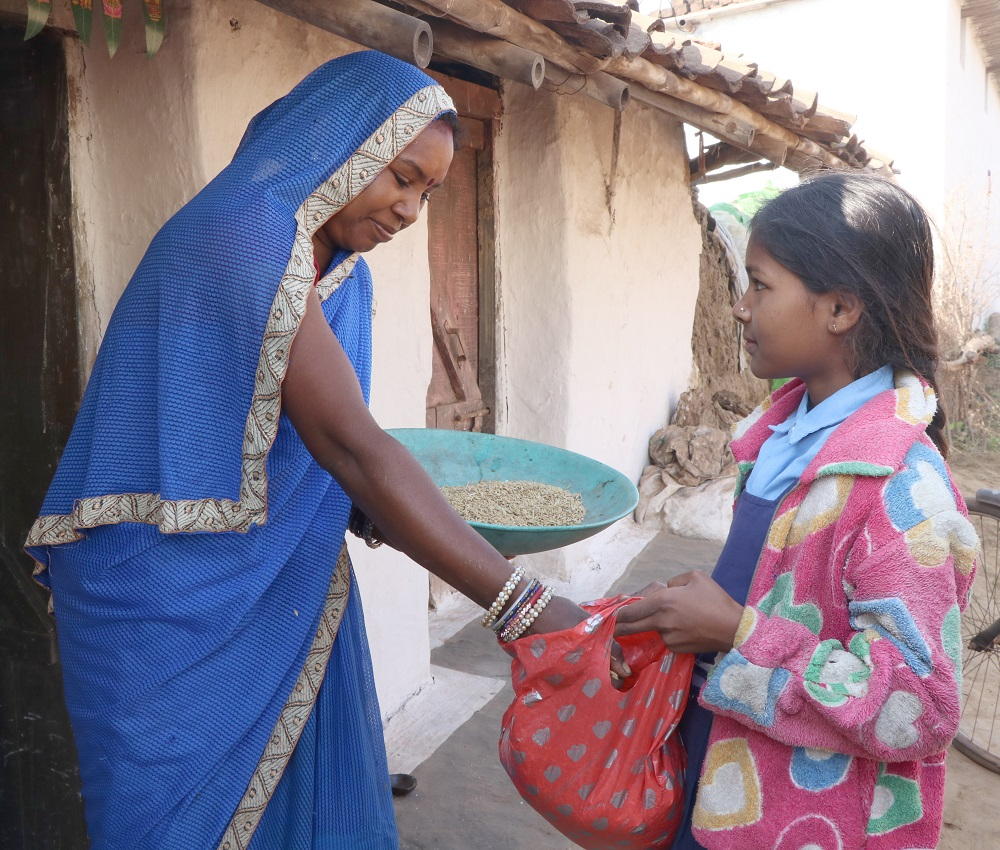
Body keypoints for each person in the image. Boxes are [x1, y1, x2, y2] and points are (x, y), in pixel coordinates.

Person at [24, 51, 600, 850]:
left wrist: (389, 509)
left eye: (428, 192)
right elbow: (350, 447)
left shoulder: (341, 274)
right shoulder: (243, 233)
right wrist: (522, 604)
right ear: (338, 142)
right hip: (166, 596)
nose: (409, 209)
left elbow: (311, 458)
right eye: (400, 176)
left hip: (279, 580)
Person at [615, 172, 980, 850]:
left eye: (760, 285)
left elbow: (917, 709)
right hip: (725, 779)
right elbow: (770, 589)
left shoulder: (904, 489)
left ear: (840, 309)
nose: (739, 308)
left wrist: (737, 633)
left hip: (811, 824)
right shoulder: (783, 435)